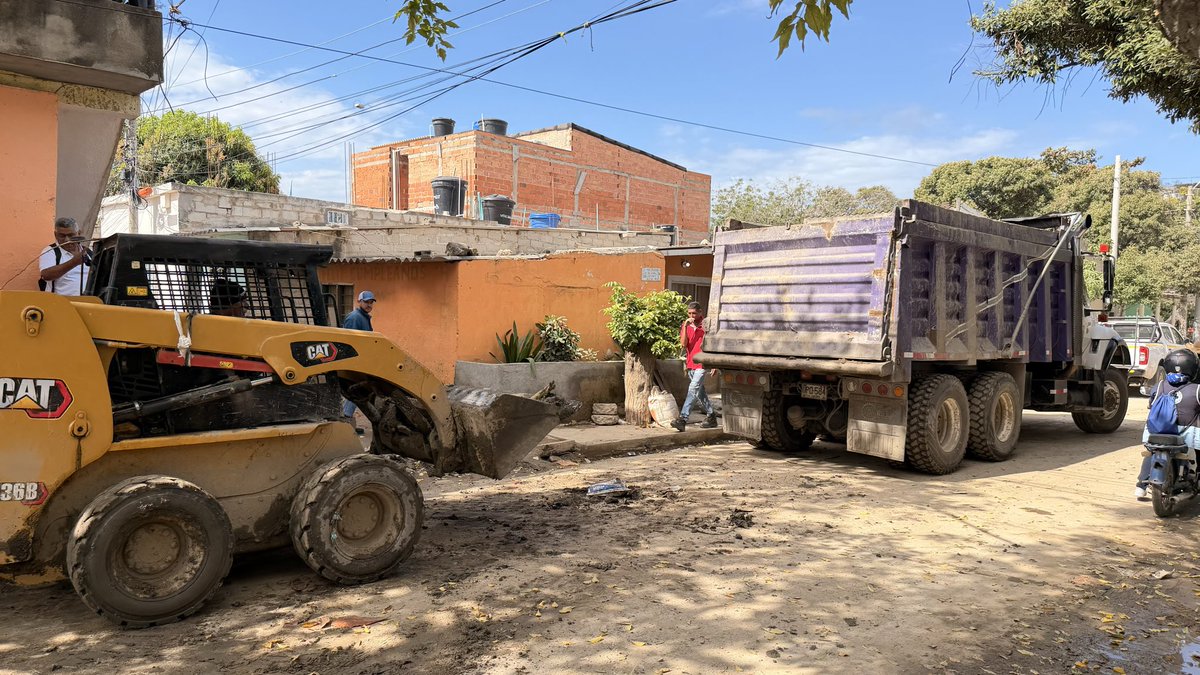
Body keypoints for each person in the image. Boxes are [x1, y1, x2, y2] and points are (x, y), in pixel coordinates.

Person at [1136, 349, 1200, 499]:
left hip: (1157, 432)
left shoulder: (1159, 386)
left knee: (1152, 450)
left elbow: (1151, 404)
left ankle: (1141, 486)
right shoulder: (1197, 389)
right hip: (1186, 436)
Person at [671, 301, 718, 431]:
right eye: (689, 313)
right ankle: (711, 416)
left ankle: (683, 419)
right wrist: (686, 327)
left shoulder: (707, 326)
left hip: (703, 363)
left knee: (693, 388)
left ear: (700, 312)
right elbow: (683, 344)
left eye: (694, 313)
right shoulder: (686, 325)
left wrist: (715, 364)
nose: (692, 316)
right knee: (700, 392)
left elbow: (713, 345)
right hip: (691, 363)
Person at [341, 291, 377, 425]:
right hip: (356, 361)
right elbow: (350, 342)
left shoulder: (363, 317)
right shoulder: (355, 318)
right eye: (366, 302)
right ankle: (346, 418)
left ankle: (346, 417)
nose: (369, 305)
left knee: (356, 391)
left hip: (362, 360)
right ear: (359, 301)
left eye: (371, 302)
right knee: (357, 390)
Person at [38, 217, 91, 296]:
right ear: (55, 235)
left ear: (79, 233)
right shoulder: (50, 251)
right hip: (61, 302)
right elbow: (46, 275)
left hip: (88, 301)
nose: (67, 240)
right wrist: (74, 262)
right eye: (62, 236)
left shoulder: (88, 252)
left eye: (71, 235)